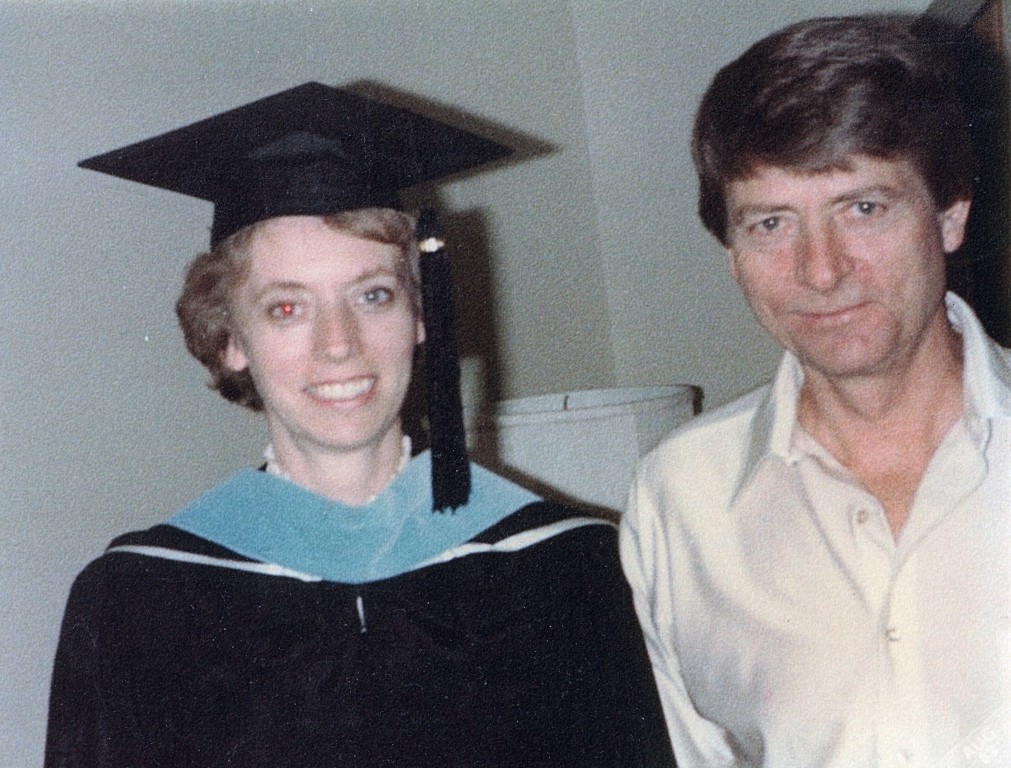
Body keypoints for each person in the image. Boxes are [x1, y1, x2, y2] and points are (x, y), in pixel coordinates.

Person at [46, 82, 675, 767]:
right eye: (287, 308)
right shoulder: (138, 602)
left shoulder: (567, 571)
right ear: (229, 340)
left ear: (421, 316)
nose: (339, 344)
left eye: (373, 295)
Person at [620, 15, 1010, 768]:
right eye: (770, 224)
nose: (822, 271)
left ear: (950, 215)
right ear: (731, 255)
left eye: (863, 209)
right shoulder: (679, 500)